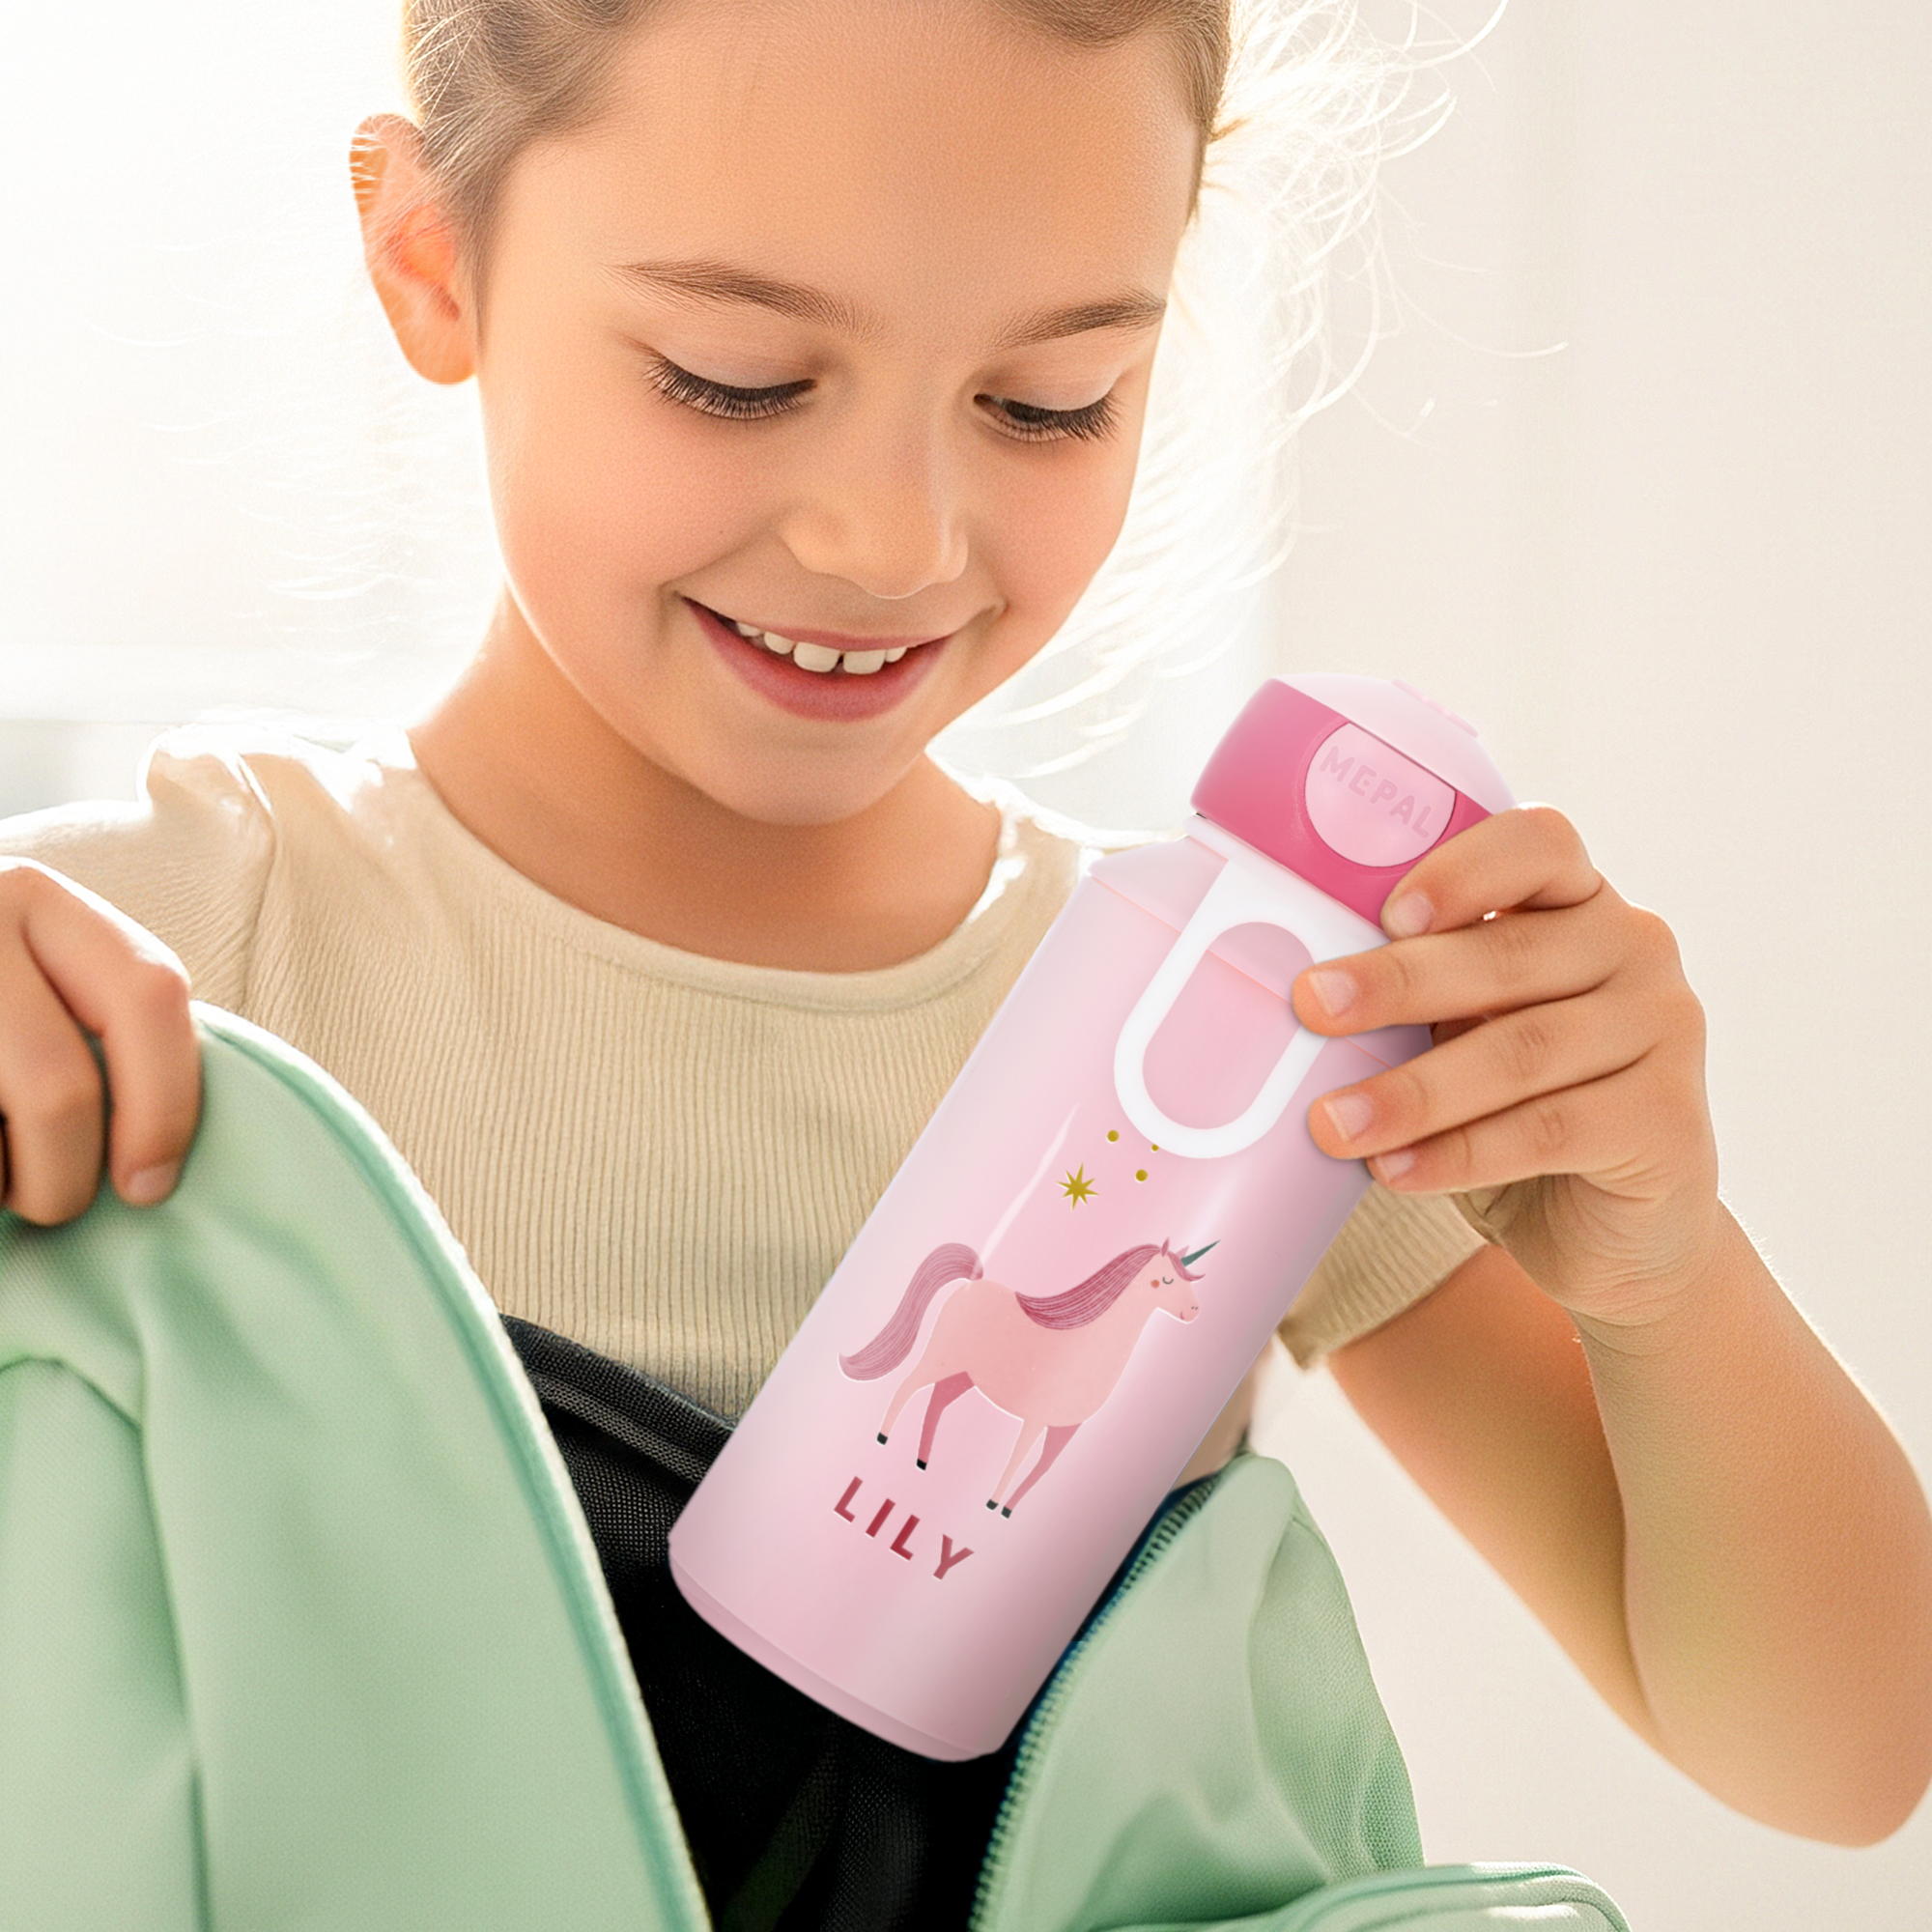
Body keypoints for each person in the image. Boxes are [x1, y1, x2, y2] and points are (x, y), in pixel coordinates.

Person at [1, 0, 1927, 1890]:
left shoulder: (1250, 1042)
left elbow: (1838, 1756)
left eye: (1048, 400)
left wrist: (1662, 1273)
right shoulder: (151, 950)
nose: (892, 538)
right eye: (736, 373)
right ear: (432, 260)